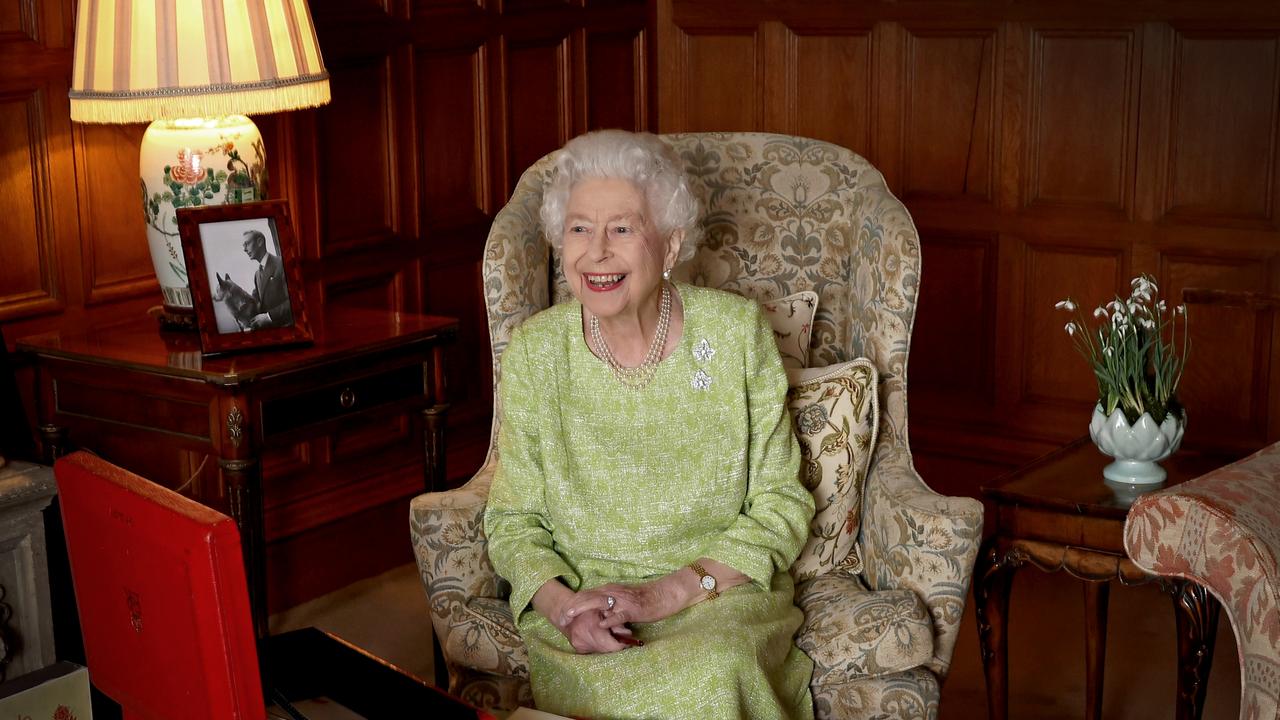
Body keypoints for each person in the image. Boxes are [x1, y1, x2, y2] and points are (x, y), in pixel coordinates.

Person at [483, 130, 816, 719]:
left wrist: (666, 593)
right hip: (588, 606)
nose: (597, 253)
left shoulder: (736, 334)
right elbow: (513, 522)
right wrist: (564, 608)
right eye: (579, 228)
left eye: (622, 228)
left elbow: (779, 503)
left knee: (714, 673)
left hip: (716, 594)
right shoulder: (536, 353)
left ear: (670, 244)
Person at [241, 229, 292, 329]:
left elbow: (294, 301)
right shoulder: (257, 275)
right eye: (243, 246)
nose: (244, 249)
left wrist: (269, 316)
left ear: (260, 242)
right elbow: (255, 303)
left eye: (247, 244)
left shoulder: (282, 264)